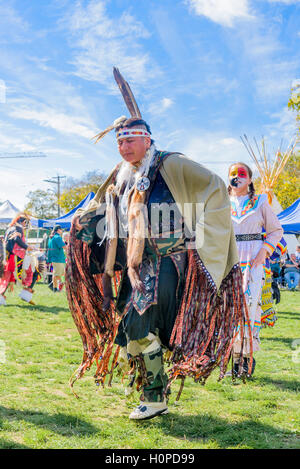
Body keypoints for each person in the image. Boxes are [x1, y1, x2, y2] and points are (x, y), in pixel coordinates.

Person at [66, 68, 249, 421]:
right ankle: (155, 390)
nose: (123, 147)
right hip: (140, 265)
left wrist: (202, 238)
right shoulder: (123, 176)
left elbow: (214, 187)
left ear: (147, 139)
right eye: (119, 142)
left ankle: (154, 395)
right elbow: (109, 212)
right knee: (135, 330)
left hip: (171, 262)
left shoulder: (170, 163)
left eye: (129, 140)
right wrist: (86, 222)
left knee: (141, 325)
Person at [228, 162, 283, 376]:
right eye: (233, 174)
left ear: (249, 180)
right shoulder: (223, 204)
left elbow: (276, 231)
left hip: (253, 260)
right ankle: (233, 359)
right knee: (231, 309)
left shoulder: (260, 202)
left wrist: (264, 252)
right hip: (231, 260)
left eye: (241, 174)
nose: (237, 177)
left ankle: (247, 360)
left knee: (249, 307)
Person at [0, 213, 34, 305]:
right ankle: (26, 292)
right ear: (23, 222)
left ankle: (2, 296)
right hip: (15, 257)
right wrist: (26, 247)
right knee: (32, 271)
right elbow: (16, 239)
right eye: (25, 223)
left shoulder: (9, 228)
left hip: (8, 256)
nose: (25, 225)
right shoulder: (18, 228)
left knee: (7, 276)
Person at [50, 225, 66, 293]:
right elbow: (64, 246)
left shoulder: (53, 237)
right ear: (58, 230)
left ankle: (54, 288)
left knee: (57, 274)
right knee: (58, 275)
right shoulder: (57, 237)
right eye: (61, 229)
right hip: (58, 259)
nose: (62, 231)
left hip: (56, 258)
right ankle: (58, 285)